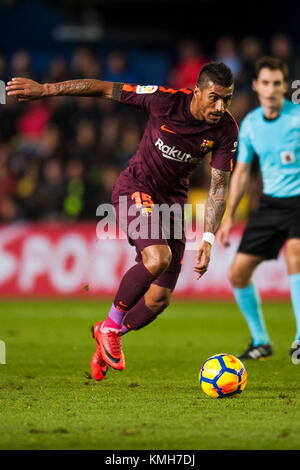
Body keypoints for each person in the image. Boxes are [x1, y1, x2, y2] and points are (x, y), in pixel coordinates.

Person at [6, 62, 238, 380]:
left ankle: (106, 334)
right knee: (158, 258)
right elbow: (102, 88)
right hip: (135, 190)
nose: (220, 106)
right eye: (214, 98)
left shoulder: (226, 129)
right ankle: (111, 327)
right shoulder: (163, 100)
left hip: (172, 206)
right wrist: (46, 90)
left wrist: (208, 238)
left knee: (159, 299)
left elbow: (219, 187)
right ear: (196, 91)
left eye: (227, 99)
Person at [218, 57, 300, 361]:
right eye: (265, 83)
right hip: (270, 205)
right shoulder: (250, 124)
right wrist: (228, 219)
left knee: (296, 253)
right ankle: (261, 341)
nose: (270, 89)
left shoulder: (297, 118)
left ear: (285, 86)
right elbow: (241, 173)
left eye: (277, 83)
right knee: (238, 274)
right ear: (255, 86)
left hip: (299, 202)